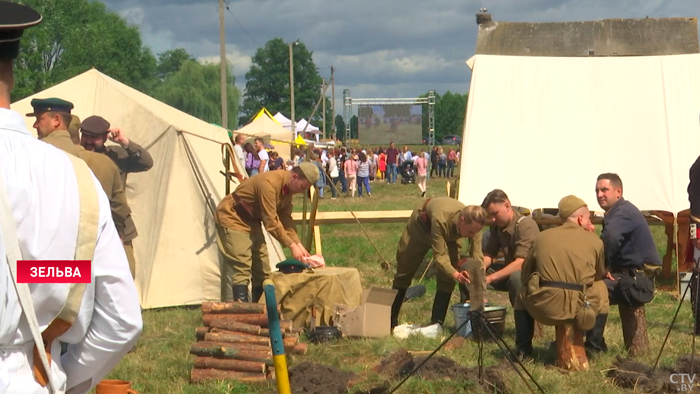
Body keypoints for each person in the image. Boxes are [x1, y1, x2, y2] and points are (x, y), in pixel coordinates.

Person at [0, 3, 142, 393]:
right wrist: (57, 375)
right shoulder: (73, 172)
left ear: (55, 120)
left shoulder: (89, 164)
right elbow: (122, 321)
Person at [517, 195, 609, 359]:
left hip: (546, 308)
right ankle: (594, 346)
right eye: (589, 218)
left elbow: (525, 273)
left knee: (521, 293)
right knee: (601, 287)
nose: (590, 221)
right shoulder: (595, 241)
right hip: (581, 309)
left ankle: (523, 351)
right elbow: (598, 273)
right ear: (581, 219)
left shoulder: (541, 238)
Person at [215, 162, 319, 302]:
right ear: (294, 176)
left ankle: (260, 311)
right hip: (234, 217)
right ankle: (243, 313)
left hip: (252, 220)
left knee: (263, 269)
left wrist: (298, 244)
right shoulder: (269, 184)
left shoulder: (287, 189)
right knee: (242, 266)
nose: (301, 191)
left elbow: (285, 219)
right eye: (302, 187)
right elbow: (270, 221)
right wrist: (291, 246)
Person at [587, 173, 661, 353]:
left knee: (590, 291)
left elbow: (610, 239)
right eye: (597, 190)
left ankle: (592, 346)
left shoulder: (623, 212)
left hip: (636, 281)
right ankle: (589, 342)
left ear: (618, 191)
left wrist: (601, 267)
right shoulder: (618, 212)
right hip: (626, 275)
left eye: (604, 189)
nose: (599, 194)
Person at [390, 198, 488, 329]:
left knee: (447, 279)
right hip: (421, 228)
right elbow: (440, 256)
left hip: (453, 233)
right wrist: (456, 274)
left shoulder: (475, 225)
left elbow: (477, 257)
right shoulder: (440, 219)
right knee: (404, 272)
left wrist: (478, 286)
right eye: (470, 232)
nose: (472, 235)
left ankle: (437, 324)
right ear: (462, 220)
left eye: (475, 232)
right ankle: (390, 320)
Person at [80, 115, 153, 281]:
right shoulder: (76, 156)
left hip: (118, 226)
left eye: (94, 137)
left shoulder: (117, 155)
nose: (89, 141)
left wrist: (125, 143)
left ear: (105, 137)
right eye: (86, 136)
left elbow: (146, 163)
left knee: (126, 275)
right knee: (86, 277)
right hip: (88, 224)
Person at [481, 189, 540, 307]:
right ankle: (476, 315)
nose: (492, 219)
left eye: (495, 214)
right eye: (490, 215)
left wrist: (490, 278)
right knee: (469, 270)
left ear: (507, 205)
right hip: (509, 269)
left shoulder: (525, 225)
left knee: (516, 278)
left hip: (530, 274)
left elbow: (520, 263)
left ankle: (522, 320)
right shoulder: (497, 226)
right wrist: (480, 269)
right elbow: (489, 253)